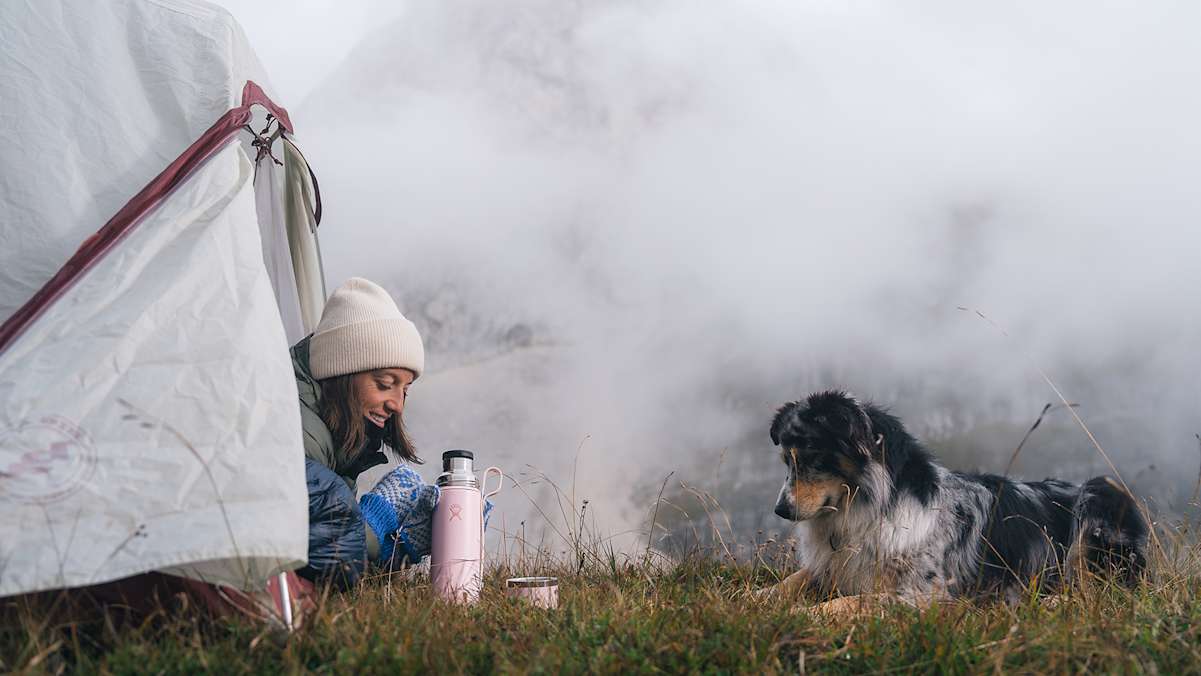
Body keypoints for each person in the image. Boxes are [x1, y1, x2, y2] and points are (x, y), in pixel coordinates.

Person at [290, 277, 442, 586]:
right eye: (385, 384)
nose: (397, 405)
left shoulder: (336, 428)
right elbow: (326, 547)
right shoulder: (299, 426)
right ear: (341, 373)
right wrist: (375, 531)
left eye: (405, 390)